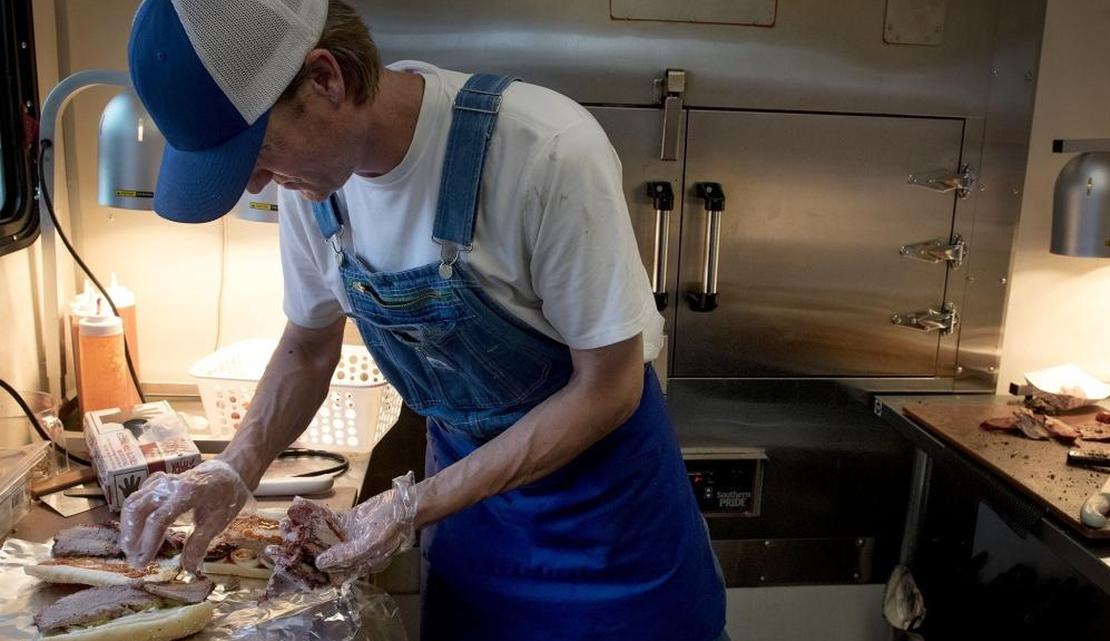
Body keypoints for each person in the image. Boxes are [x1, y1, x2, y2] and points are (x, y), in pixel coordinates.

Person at [119, 1, 728, 639]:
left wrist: (415, 505)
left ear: (326, 79)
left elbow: (609, 388)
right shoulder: (315, 184)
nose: (255, 185)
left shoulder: (544, 151)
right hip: (469, 525)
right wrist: (233, 468)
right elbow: (309, 345)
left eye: (258, 152)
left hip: (608, 535)